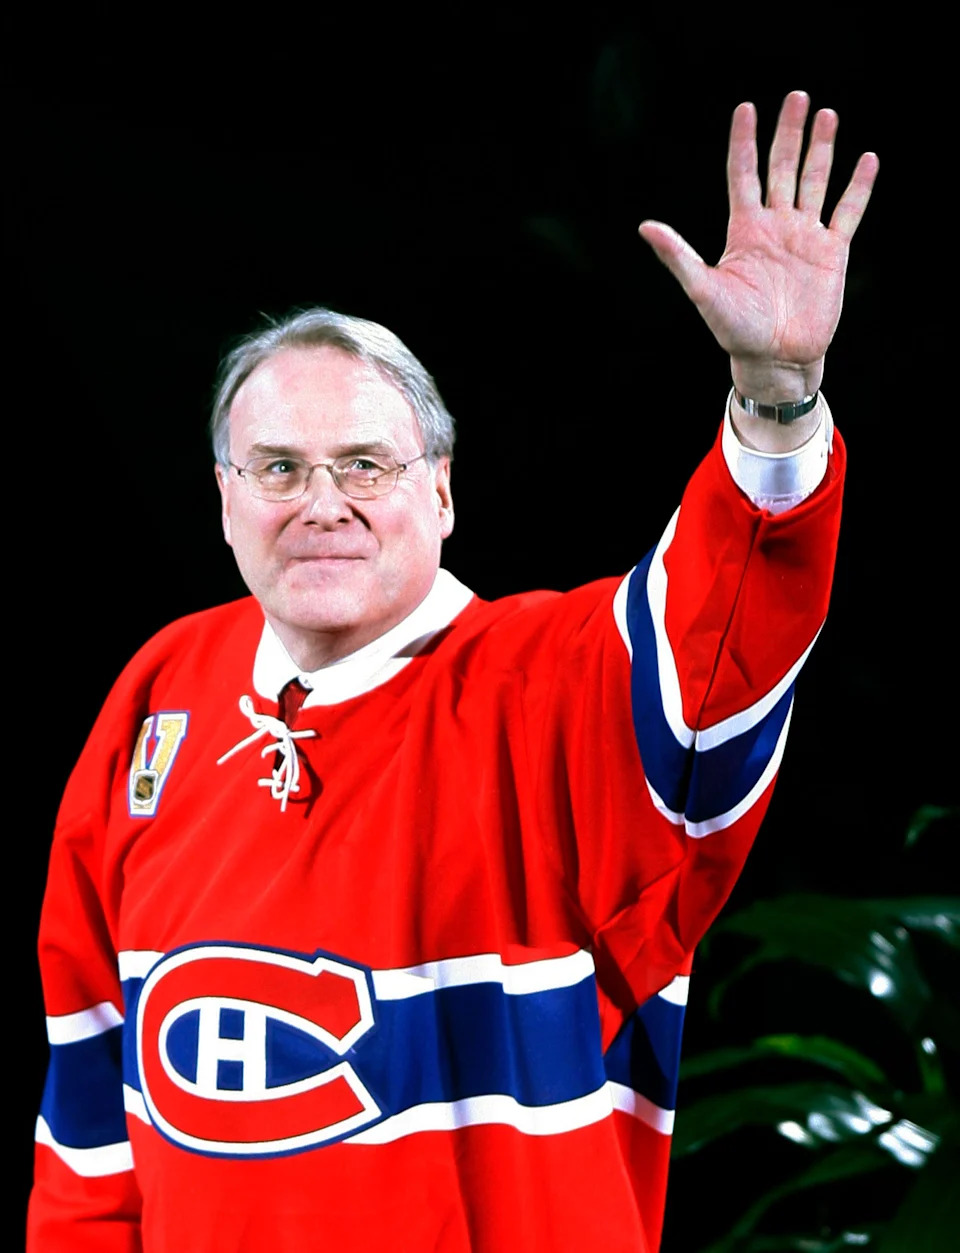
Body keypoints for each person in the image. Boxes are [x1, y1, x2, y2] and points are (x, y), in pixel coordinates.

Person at [28, 91, 877, 1252]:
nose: (320, 503)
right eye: (276, 467)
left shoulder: (558, 685)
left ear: (441, 489)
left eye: (365, 464)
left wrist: (777, 403)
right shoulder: (159, 692)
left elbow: (723, 627)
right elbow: (88, 1130)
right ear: (223, 496)